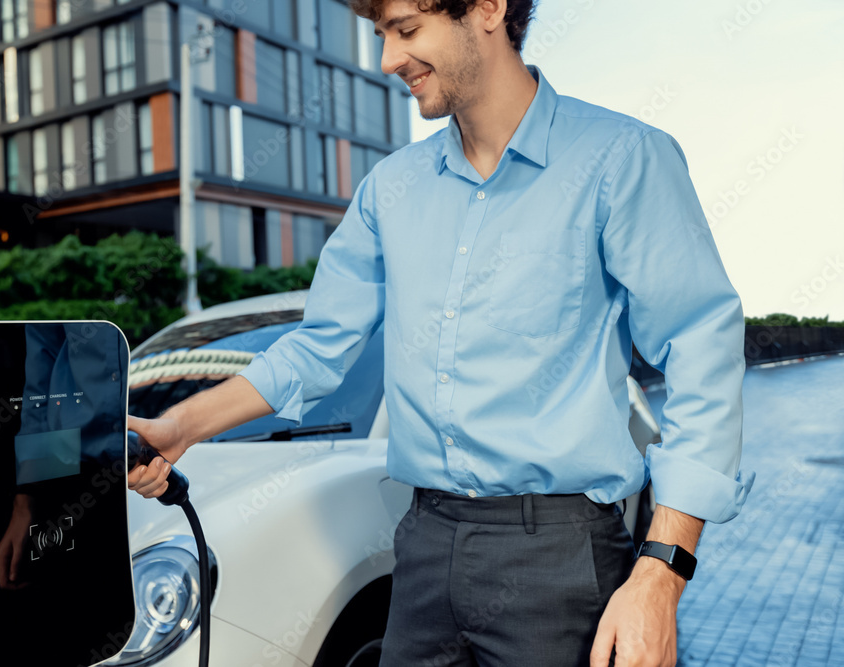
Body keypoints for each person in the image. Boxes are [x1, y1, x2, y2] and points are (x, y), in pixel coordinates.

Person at [127, 1, 753, 664]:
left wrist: (662, 570)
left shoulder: (620, 159)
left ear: (488, 8)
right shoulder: (389, 189)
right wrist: (182, 425)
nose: (388, 59)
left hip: (559, 559)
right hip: (423, 547)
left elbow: (701, 346)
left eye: (405, 30)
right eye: (380, 35)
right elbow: (317, 348)